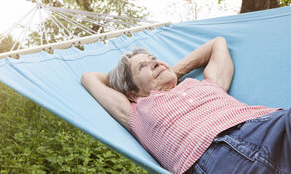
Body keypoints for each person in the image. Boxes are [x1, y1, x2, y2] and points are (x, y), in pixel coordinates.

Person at [81, 37, 291, 174]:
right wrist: (126, 76)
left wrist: (171, 71)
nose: (154, 62)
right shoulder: (136, 111)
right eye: (142, 67)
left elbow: (217, 43)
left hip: (267, 126)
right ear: (132, 93)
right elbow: (89, 77)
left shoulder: (208, 84)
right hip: (215, 159)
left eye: (154, 58)